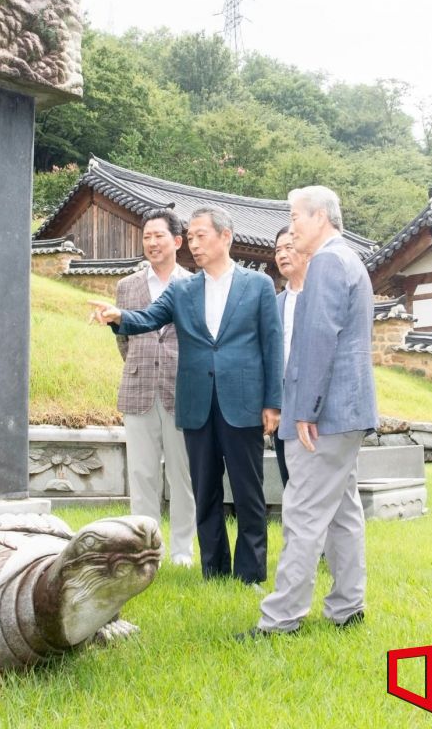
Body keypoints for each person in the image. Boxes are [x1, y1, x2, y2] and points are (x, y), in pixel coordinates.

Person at [90, 205, 283, 586]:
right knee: (205, 489)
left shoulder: (257, 285)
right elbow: (146, 318)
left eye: (200, 236)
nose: (193, 244)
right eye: (190, 238)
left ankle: (250, 572)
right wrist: (118, 317)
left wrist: (272, 402)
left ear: (225, 237)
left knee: (248, 491)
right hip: (196, 404)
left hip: (242, 402)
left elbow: (272, 345)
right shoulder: (183, 289)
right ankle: (214, 570)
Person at [243, 185, 377, 638]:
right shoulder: (347, 260)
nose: (291, 225)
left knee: (302, 513)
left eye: (295, 216)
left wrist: (307, 409)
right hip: (347, 412)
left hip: (325, 414)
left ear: (320, 217)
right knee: (341, 511)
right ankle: (347, 606)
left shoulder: (326, 262)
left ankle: (280, 620)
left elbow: (319, 340)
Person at [115, 208, 196, 566]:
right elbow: (123, 340)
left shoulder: (194, 284)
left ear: (177, 241)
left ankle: (181, 550)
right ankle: (142, 551)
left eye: (158, 236)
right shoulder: (126, 286)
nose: (151, 243)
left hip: (182, 391)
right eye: (146, 236)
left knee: (183, 475)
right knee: (142, 474)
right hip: (138, 388)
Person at [273, 225, 310, 487]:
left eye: (289, 247)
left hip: (314, 399)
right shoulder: (275, 302)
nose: (282, 254)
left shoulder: (321, 295)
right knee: (290, 478)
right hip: (283, 401)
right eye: (277, 250)